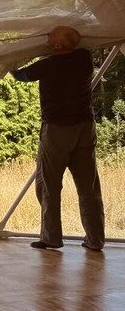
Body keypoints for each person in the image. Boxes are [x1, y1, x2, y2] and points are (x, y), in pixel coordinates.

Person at [11, 26, 105, 252]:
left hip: (57, 129)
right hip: (85, 126)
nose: (47, 35)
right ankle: (95, 239)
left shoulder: (48, 66)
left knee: (48, 185)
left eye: (51, 35)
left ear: (57, 45)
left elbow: (21, 76)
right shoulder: (84, 58)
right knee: (88, 186)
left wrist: (8, 62)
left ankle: (51, 237)